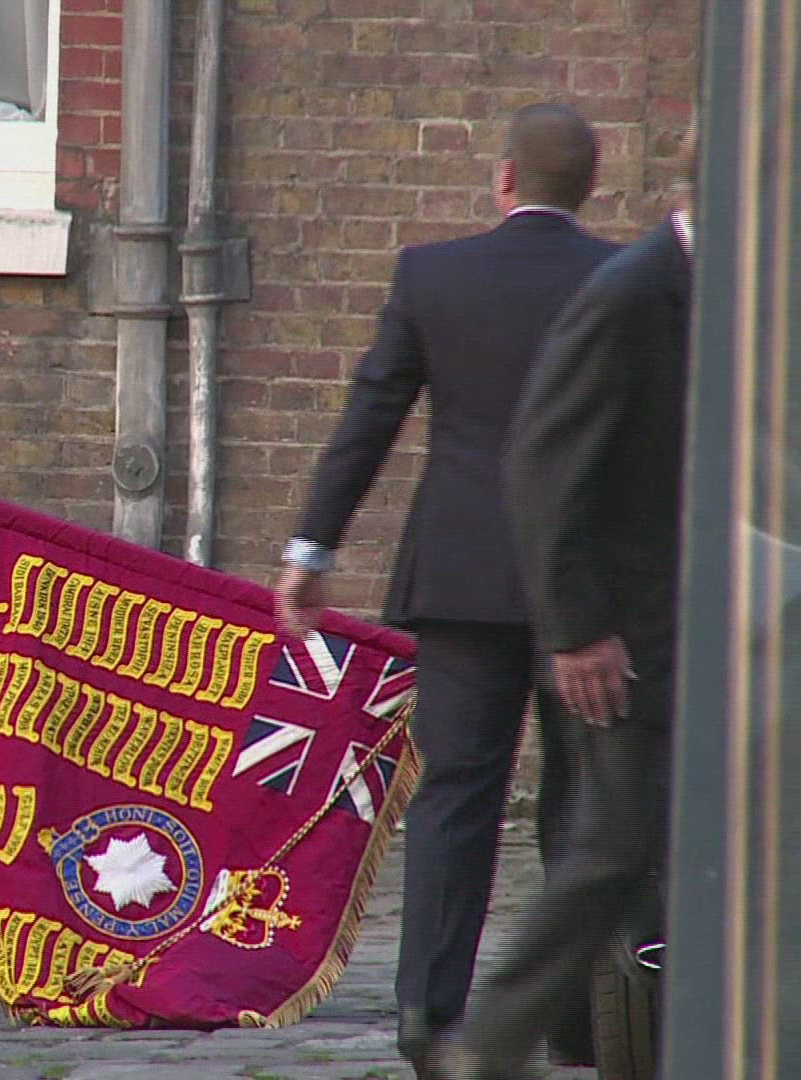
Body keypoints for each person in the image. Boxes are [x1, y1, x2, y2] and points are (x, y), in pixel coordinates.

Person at [273, 103, 616, 1075]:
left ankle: (430, 1012)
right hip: (582, 590)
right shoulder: (620, 281)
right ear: (588, 188)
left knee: (455, 795)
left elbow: (371, 414)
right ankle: (576, 1017)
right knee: (583, 802)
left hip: (461, 580)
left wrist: (313, 547)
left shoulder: (433, 277)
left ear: (504, 179)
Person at [434, 128, 699, 1080]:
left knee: (639, 844)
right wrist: (578, 630)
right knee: (614, 846)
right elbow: (543, 466)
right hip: (628, 641)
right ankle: (491, 1044)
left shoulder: (730, 293)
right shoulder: (629, 293)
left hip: (703, 628)